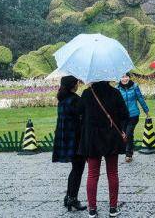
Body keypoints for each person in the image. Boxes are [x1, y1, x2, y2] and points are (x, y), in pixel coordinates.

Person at [77, 80, 129, 218]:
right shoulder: (115, 92)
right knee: (112, 173)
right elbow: (125, 115)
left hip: (92, 139)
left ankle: (92, 209)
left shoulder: (87, 94)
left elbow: (79, 114)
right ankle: (113, 207)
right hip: (111, 137)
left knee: (92, 174)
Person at [52, 76, 87, 212]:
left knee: (75, 169)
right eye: (77, 82)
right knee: (78, 169)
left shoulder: (62, 99)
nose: (78, 84)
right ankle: (72, 198)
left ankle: (69, 196)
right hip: (76, 139)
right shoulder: (75, 100)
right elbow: (82, 117)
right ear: (73, 85)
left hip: (65, 138)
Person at [117, 73, 150, 163]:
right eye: (122, 77)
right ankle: (129, 151)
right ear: (120, 78)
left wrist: (146, 111)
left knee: (128, 133)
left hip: (133, 114)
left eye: (126, 76)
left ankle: (128, 154)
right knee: (126, 134)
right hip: (122, 116)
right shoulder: (117, 88)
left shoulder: (134, 86)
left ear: (129, 77)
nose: (124, 79)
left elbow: (140, 98)